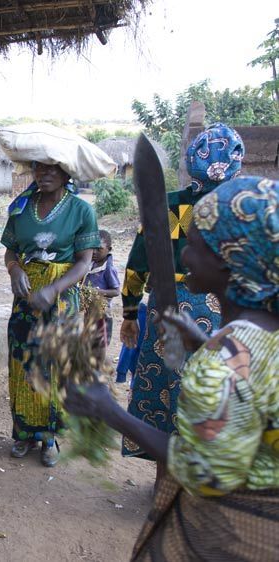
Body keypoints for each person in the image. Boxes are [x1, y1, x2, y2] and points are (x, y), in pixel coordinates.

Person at [65, 176, 278, 561]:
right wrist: (202, 342)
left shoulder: (221, 367)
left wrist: (108, 411)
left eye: (195, 245)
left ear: (230, 260)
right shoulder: (260, 334)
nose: (184, 258)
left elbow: (205, 474)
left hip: (231, 534)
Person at [119, 123, 245, 486]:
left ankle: (165, 481)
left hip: (166, 313)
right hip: (227, 313)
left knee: (168, 396)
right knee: (216, 398)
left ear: (192, 161)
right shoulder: (245, 207)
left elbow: (138, 264)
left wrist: (130, 313)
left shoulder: (170, 205)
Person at [0, 161, 100, 467]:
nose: (42, 175)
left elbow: (84, 263)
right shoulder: (20, 208)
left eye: (51, 170)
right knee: (23, 363)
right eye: (38, 169)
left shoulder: (82, 211)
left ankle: (49, 436)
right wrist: (14, 268)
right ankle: (23, 432)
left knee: (54, 365)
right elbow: (11, 251)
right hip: (26, 297)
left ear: (66, 173)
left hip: (62, 298)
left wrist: (53, 290)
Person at [84, 229, 120, 346]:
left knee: (101, 343)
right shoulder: (91, 263)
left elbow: (116, 291)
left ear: (109, 250)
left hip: (103, 314)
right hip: (89, 311)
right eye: (92, 248)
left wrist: (97, 292)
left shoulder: (108, 269)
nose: (94, 252)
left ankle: (98, 362)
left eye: (99, 249)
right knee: (88, 340)